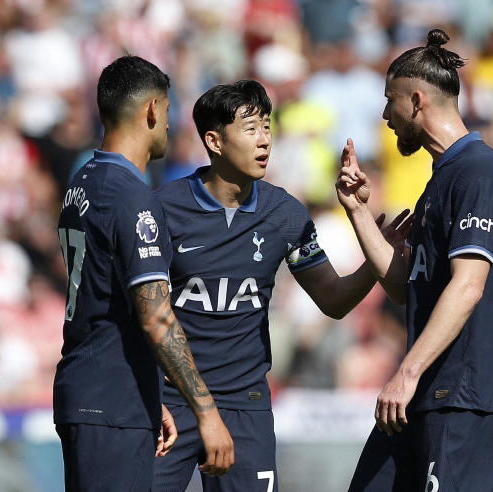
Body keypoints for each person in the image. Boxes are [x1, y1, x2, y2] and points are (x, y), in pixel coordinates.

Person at [151, 80, 409, 492]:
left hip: (244, 404)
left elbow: (333, 299)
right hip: (172, 401)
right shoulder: (163, 209)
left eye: (267, 128)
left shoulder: (285, 214)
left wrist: (377, 258)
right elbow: (145, 313)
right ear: (214, 141)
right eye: (251, 129)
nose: (264, 140)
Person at [336, 29, 493, 491]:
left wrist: (406, 372)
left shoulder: (477, 171)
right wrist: (358, 213)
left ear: (416, 101)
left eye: (389, 100)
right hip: (421, 394)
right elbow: (405, 286)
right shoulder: (441, 177)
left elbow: (469, 285)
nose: (384, 114)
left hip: (462, 395)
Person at [53, 55, 234, 492]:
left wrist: (149, 393)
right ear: (152, 110)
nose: (171, 125)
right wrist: (206, 413)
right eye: (169, 111)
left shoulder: (83, 182)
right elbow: (156, 316)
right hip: (111, 403)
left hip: (96, 392)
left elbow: (105, 299)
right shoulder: (132, 197)